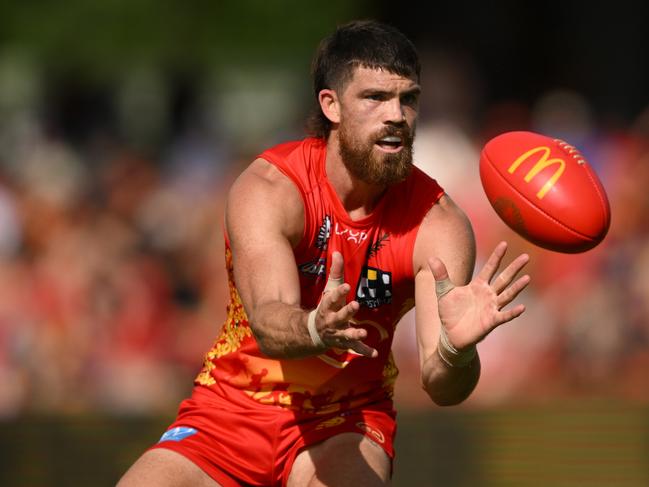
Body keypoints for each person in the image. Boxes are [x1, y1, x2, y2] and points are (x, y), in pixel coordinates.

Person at [117, 19, 530, 487]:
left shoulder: (440, 224)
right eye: (374, 98)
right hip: (228, 412)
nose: (396, 114)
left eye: (408, 99)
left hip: (347, 423)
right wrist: (316, 327)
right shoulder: (270, 189)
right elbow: (270, 321)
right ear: (330, 105)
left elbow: (442, 384)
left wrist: (457, 351)